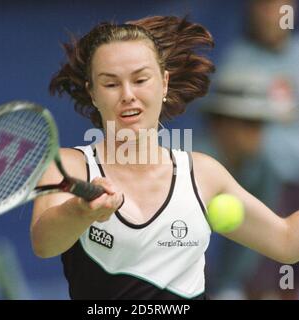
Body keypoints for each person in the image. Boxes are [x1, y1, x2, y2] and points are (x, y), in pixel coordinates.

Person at [30, 16, 299, 300]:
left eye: (140, 79)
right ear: (92, 93)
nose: (128, 95)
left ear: (164, 83)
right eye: (110, 84)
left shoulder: (204, 173)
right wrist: (81, 211)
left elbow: (287, 242)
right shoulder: (70, 166)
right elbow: (44, 244)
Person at [193, 70, 297, 299]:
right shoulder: (187, 163)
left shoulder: (265, 169)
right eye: (248, 122)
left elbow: (252, 243)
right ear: (219, 122)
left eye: (260, 123)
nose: (257, 133)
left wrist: (227, 286)